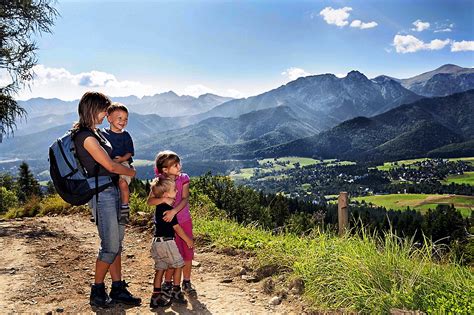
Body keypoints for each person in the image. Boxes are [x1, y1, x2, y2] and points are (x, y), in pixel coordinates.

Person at [73, 91, 141, 308]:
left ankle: (118, 287)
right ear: (93, 109)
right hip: (102, 194)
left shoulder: (95, 133)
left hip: (111, 191)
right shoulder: (86, 137)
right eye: (104, 110)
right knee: (110, 246)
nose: (105, 114)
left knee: (117, 245)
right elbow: (110, 166)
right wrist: (131, 173)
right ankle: (98, 291)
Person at [147, 150, 197, 297]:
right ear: (165, 169)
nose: (179, 166)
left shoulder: (184, 178)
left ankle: (186, 281)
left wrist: (173, 211)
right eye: (175, 165)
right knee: (172, 253)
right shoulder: (160, 182)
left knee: (187, 251)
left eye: (178, 163)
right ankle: (168, 282)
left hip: (184, 219)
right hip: (168, 225)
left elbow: (185, 198)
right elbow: (150, 201)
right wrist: (162, 200)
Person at [149, 177, 194, 308]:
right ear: (165, 194)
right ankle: (175, 290)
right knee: (179, 265)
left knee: (160, 269)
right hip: (167, 242)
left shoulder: (158, 207)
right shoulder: (168, 210)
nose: (176, 191)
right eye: (174, 189)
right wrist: (188, 240)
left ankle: (156, 296)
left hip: (157, 242)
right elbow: (177, 228)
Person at [102, 102, 134, 225]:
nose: (123, 121)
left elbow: (129, 153)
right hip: (107, 163)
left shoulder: (125, 136)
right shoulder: (103, 134)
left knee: (122, 182)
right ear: (109, 118)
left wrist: (121, 160)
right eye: (119, 118)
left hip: (123, 163)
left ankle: (125, 207)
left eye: (126, 119)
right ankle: (100, 210)